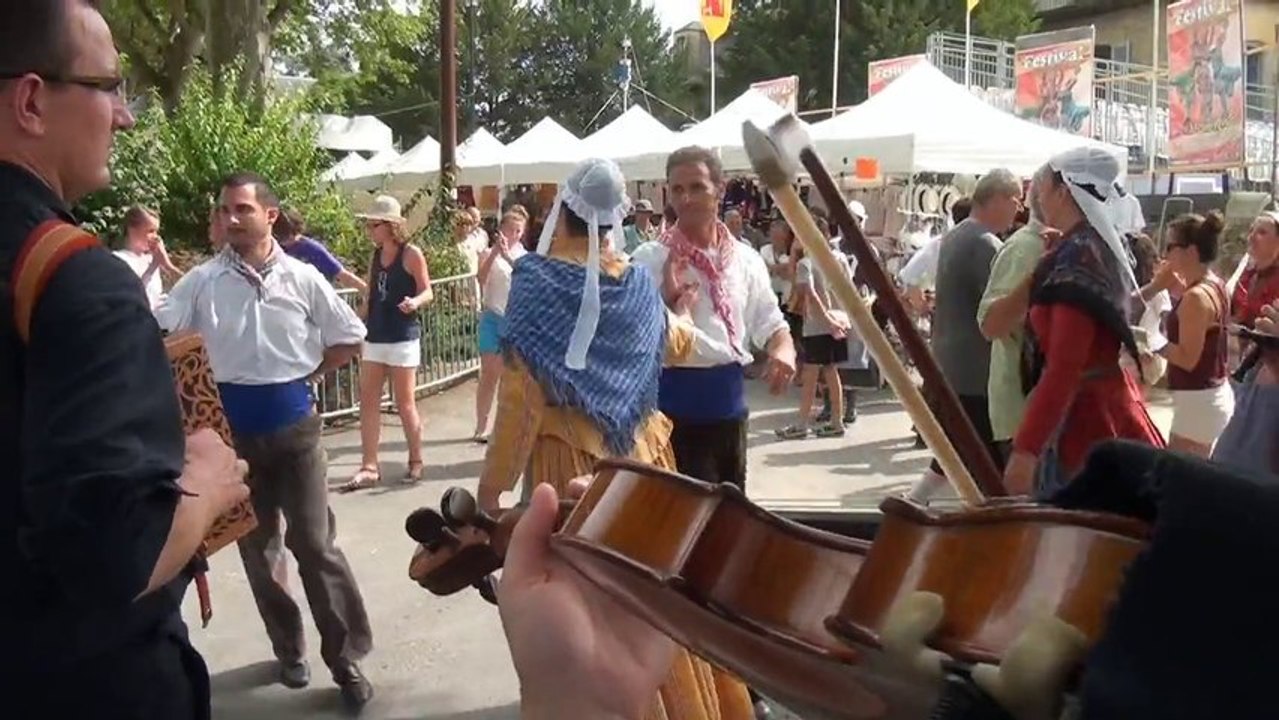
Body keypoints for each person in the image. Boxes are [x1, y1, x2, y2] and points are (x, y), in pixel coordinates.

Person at [1, 1, 249, 716]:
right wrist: (207, 478)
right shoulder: (76, 279)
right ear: (31, 100)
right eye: (108, 86)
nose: (124, 115)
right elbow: (119, 558)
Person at [474, 157, 754, 720]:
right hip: (645, 463)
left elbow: (519, 401)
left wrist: (491, 491)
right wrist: (701, 328)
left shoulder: (533, 286)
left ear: (563, 212)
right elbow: (681, 345)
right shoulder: (637, 288)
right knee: (656, 597)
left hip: (569, 469)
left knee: (589, 612)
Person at [156, 172, 375, 710]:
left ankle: (346, 659)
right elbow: (158, 328)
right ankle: (289, 649)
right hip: (233, 438)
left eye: (242, 210)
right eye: (226, 209)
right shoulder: (205, 280)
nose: (231, 219)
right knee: (260, 548)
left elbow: (350, 336)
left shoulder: (303, 278)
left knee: (315, 545)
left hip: (297, 429)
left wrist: (312, 375)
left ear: (270, 215)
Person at [630, 146, 795, 491]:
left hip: (730, 414)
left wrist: (784, 349)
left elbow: (771, 320)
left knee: (729, 525)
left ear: (720, 190)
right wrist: (667, 305)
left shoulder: (746, 260)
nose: (686, 198)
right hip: (670, 417)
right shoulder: (649, 259)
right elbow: (631, 338)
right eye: (677, 189)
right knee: (681, 527)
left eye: (696, 187)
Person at [1004, 148, 1165, 496]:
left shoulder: (1078, 256)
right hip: (1101, 405)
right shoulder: (1087, 247)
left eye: (1044, 188)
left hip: (1090, 421)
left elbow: (1064, 365)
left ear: (1064, 191)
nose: (1039, 198)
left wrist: (1026, 449)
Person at [909, 169, 1022, 502]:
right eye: (1016, 202)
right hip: (976, 373)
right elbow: (999, 309)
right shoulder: (985, 244)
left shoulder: (956, 237)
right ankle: (991, 531)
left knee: (952, 455)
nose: (1018, 211)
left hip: (951, 365)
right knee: (987, 463)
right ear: (1000, 199)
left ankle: (910, 507)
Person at [342, 195, 433, 490]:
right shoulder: (375, 255)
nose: (370, 231)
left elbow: (427, 290)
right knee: (368, 401)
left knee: (405, 403)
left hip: (403, 337)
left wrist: (415, 302)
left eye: (373, 225)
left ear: (390, 226)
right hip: (376, 335)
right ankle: (369, 465)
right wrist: (355, 323)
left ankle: (416, 460)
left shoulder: (411, 254)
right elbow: (370, 296)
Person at [1141, 211, 1232, 457]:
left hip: (1198, 402)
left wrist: (1151, 340)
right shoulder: (1214, 284)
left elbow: (1187, 358)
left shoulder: (1195, 297)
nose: (1165, 254)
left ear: (1191, 252)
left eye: (1170, 247)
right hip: (1205, 398)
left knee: (1180, 480)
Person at [979, 183, 1050, 463]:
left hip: (1039, 412)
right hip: (1022, 411)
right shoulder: (1025, 249)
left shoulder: (1055, 245)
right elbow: (990, 323)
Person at [473, 208, 528, 442]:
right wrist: (496, 252)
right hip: (491, 317)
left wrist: (507, 256)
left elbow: (524, 279)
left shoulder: (524, 256)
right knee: (489, 374)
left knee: (511, 377)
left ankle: (505, 426)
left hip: (513, 320)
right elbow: (481, 278)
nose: (514, 235)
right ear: (501, 230)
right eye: (510, 229)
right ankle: (481, 425)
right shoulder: (487, 253)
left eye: (518, 231)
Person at [273, 206, 367, 292]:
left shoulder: (311, 249)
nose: (288, 241)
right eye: (282, 238)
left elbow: (342, 275)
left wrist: (368, 293)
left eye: (292, 235)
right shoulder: (272, 249)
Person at [113, 205, 181, 310]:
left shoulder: (149, 259)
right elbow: (131, 299)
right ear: (132, 230)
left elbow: (192, 285)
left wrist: (167, 264)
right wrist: (152, 267)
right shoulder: (118, 259)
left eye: (156, 232)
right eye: (150, 231)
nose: (156, 237)